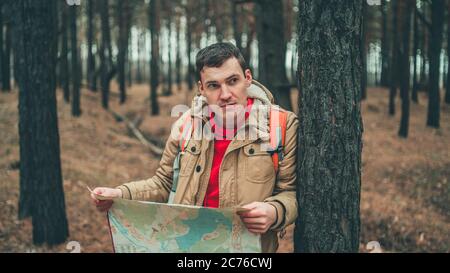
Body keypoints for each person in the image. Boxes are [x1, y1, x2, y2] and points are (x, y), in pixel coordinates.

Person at [91, 42, 298, 253]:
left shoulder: (280, 126)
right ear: (201, 88)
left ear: (247, 78)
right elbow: (163, 183)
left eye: (232, 81)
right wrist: (120, 194)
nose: (225, 94)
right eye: (214, 85)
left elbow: (290, 192)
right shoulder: (187, 125)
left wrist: (275, 211)